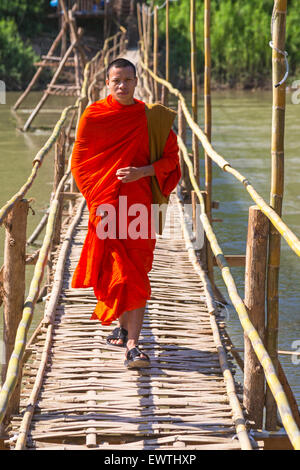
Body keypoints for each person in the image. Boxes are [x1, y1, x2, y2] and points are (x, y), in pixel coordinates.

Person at [71, 58, 181, 369]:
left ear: (136, 81)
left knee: (136, 271)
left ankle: (134, 344)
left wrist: (144, 171)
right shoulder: (94, 116)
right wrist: (95, 200)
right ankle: (122, 330)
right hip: (105, 207)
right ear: (107, 82)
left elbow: (172, 159)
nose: (122, 86)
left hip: (139, 208)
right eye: (116, 80)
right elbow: (78, 164)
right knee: (114, 270)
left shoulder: (150, 119)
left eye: (128, 80)